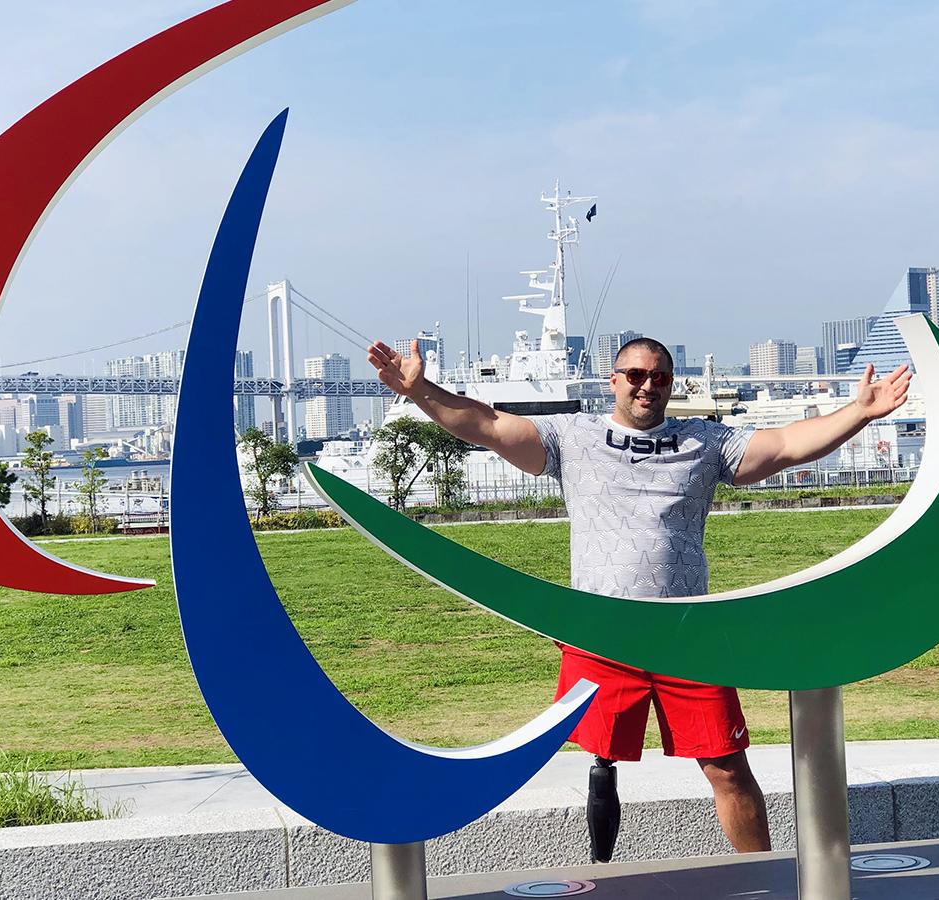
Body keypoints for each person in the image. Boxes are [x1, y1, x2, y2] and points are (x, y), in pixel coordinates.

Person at [367, 335, 910, 860]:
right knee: (601, 760)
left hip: (688, 636)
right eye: (636, 375)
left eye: (659, 377)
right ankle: (603, 873)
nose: (647, 386)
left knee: (727, 767)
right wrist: (421, 391)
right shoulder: (571, 437)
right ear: (614, 381)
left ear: (671, 384)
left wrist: (859, 411)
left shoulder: (706, 441)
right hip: (600, 632)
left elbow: (788, 444)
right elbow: (485, 425)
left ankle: (762, 873)